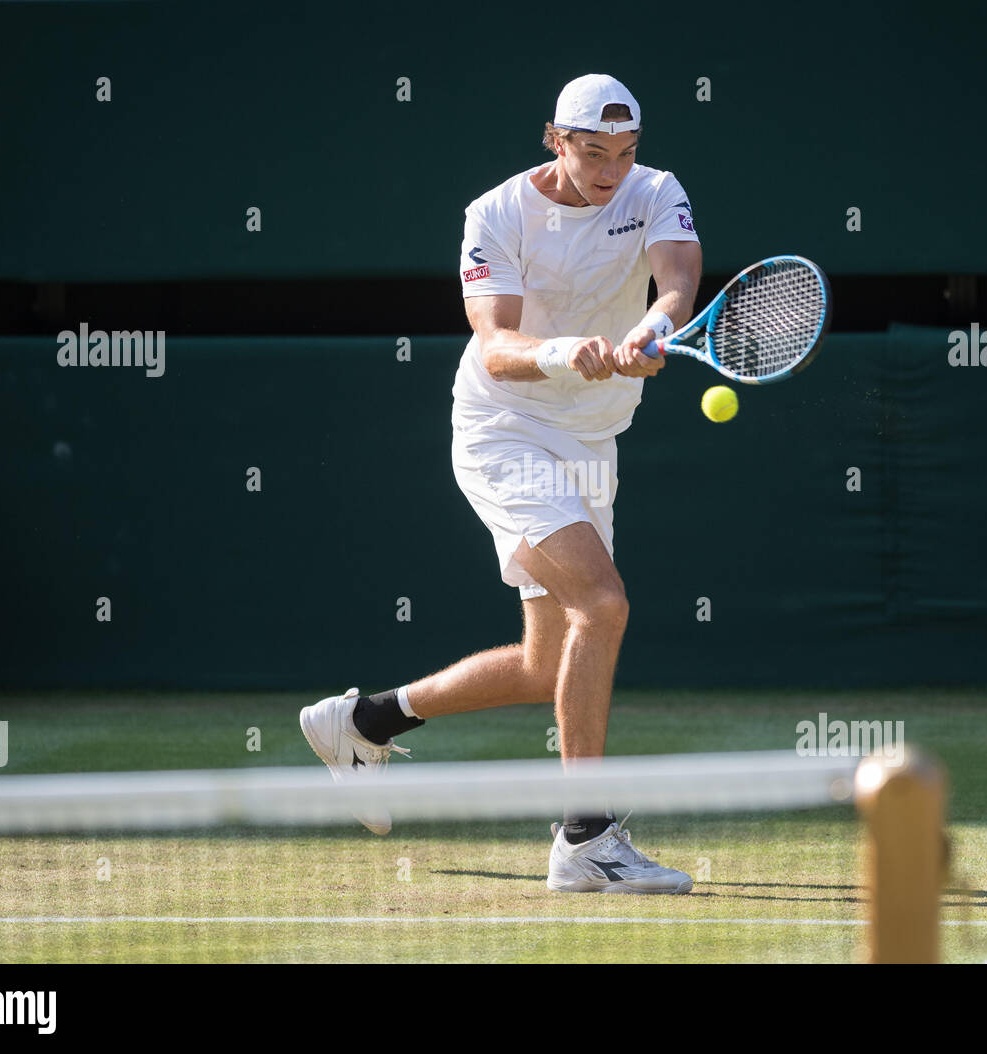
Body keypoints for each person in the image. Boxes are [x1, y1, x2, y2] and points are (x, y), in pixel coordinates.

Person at [301, 73, 702, 894]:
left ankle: (364, 720)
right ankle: (585, 839)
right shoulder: (496, 214)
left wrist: (652, 328)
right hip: (504, 431)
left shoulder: (655, 192)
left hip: (592, 440)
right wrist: (565, 350)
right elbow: (493, 345)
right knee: (604, 604)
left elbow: (677, 283)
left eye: (625, 154)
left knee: (542, 662)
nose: (610, 171)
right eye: (593, 153)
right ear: (554, 139)